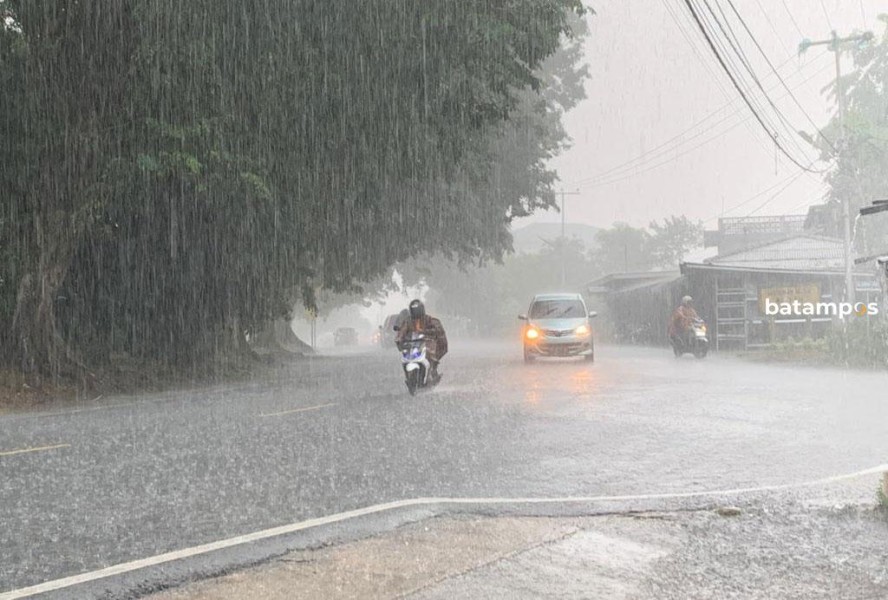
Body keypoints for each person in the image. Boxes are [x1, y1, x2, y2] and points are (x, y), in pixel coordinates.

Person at [395, 299, 448, 382]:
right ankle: (409, 378)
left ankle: (432, 372)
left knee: (431, 356)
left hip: (427, 345)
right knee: (405, 357)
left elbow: (439, 333)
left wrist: (428, 333)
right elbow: (402, 332)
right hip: (413, 346)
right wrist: (399, 340)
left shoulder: (430, 320)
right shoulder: (408, 321)